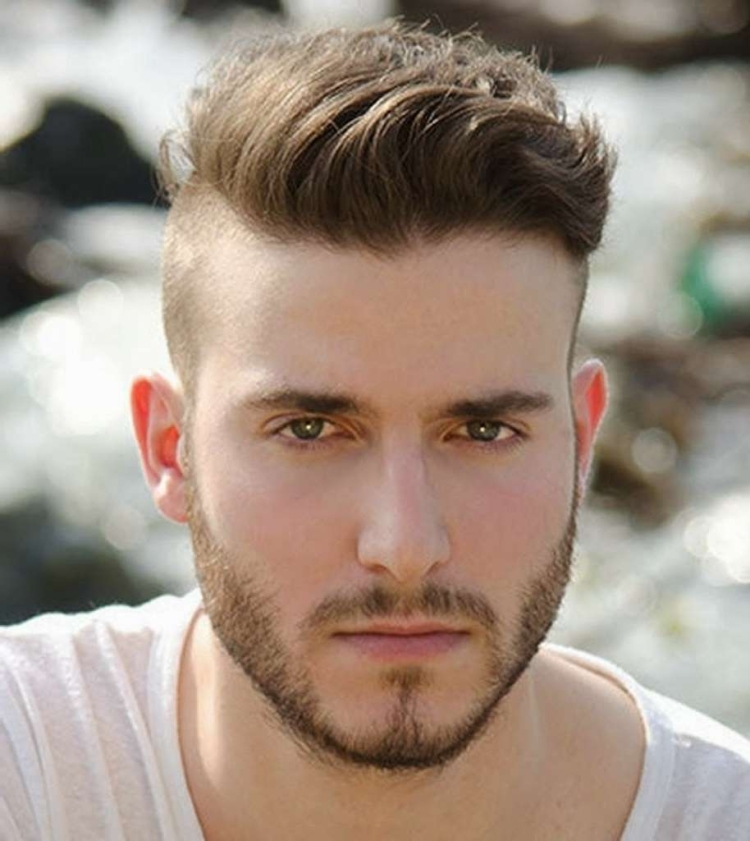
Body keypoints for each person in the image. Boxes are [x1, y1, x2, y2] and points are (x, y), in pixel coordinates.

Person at [1, 21, 749, 841]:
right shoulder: (24, 766)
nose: (405, 545)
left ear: (582, 439)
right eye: (310, 428)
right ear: (168, 448)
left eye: (484, 430)